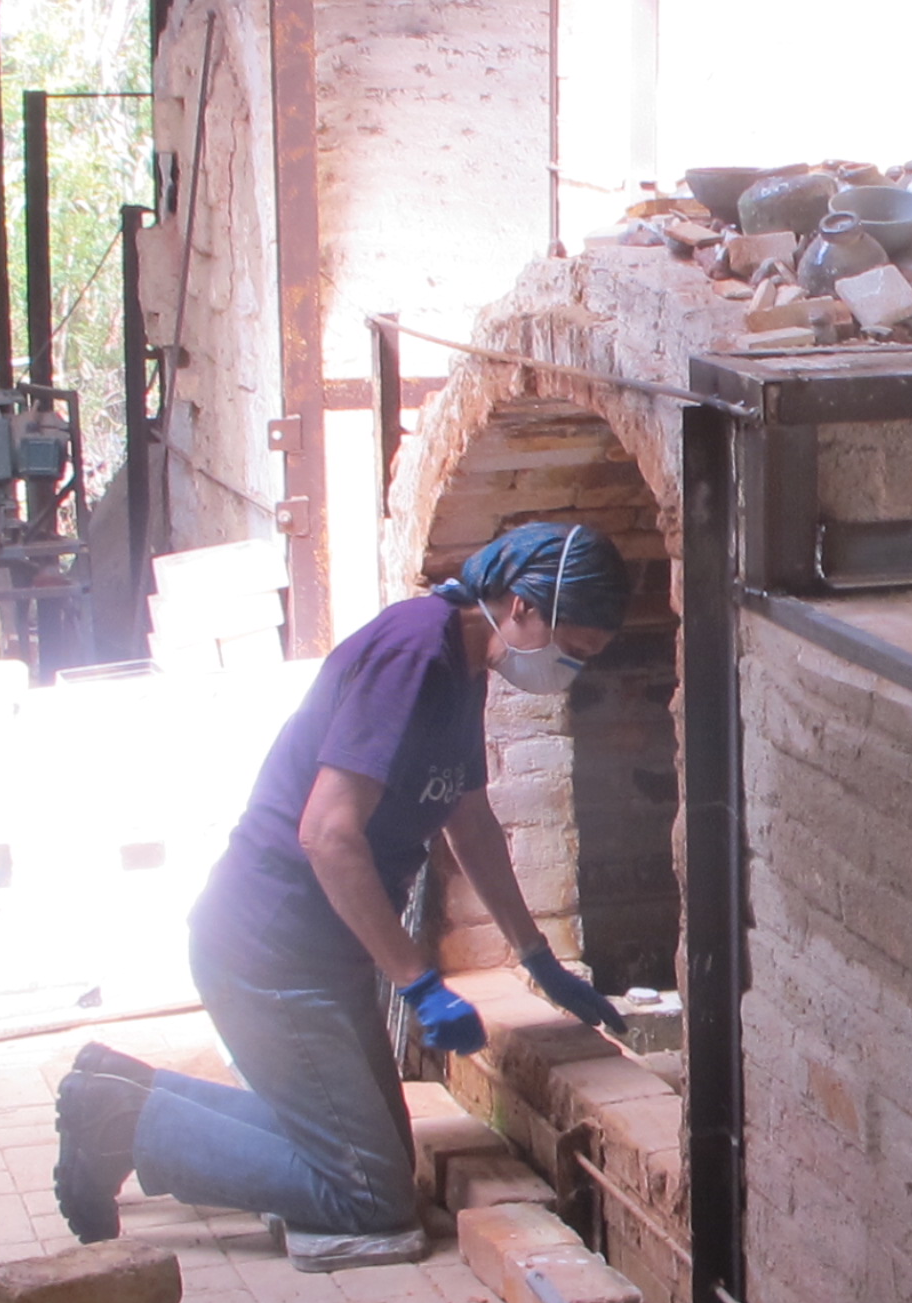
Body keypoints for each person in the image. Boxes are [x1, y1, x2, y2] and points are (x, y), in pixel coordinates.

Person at [53, 523, 633, 1264]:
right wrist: (418, 984)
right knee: (368, 1195)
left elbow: (469, 820)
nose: (568, 671)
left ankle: (120, 1089)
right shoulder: (412, 658)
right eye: (572, 649)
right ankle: (121, 1126)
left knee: (374, 1156)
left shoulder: (462, 668)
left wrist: (536, 954)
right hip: (270, 952)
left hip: (325, 954)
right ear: (521, 606)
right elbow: (327, 835)